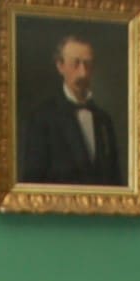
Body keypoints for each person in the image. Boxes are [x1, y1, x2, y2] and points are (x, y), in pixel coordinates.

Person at [18, 32, 123, 185]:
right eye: (76, 64)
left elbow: (115, 183)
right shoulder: (41, 118)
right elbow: (32, 185)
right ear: (60, 66)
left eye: (87, 64)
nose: (83, 73)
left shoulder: (104, 121)